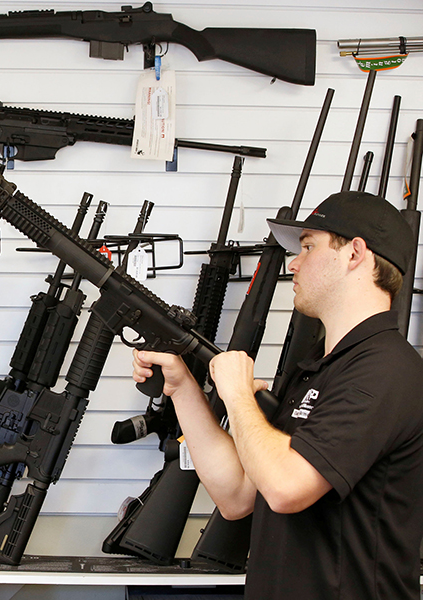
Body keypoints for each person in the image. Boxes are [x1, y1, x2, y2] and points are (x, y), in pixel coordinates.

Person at [132, 190, 423, 600]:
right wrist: (183, 389)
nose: (294, 263)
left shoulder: (384, 370)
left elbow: (287, 487)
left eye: (307, 247)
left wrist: (237, 396)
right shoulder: (317, 368)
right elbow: (237, 496)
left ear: (355, 253)